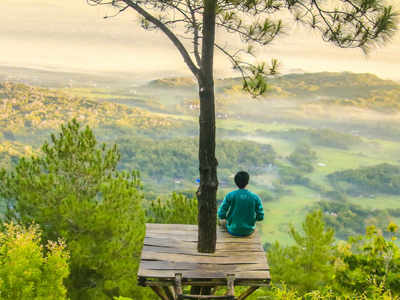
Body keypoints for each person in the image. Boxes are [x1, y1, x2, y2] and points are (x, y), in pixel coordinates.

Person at [217, 171, 264, 237]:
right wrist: (251, 220)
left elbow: (221, 214)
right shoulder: (255, 197)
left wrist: (228, 219)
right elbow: (260, 217)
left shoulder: (230, 195)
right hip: (249, 231)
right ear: (247, 182)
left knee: (221, 221)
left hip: (233, 230)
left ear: (235, 182)